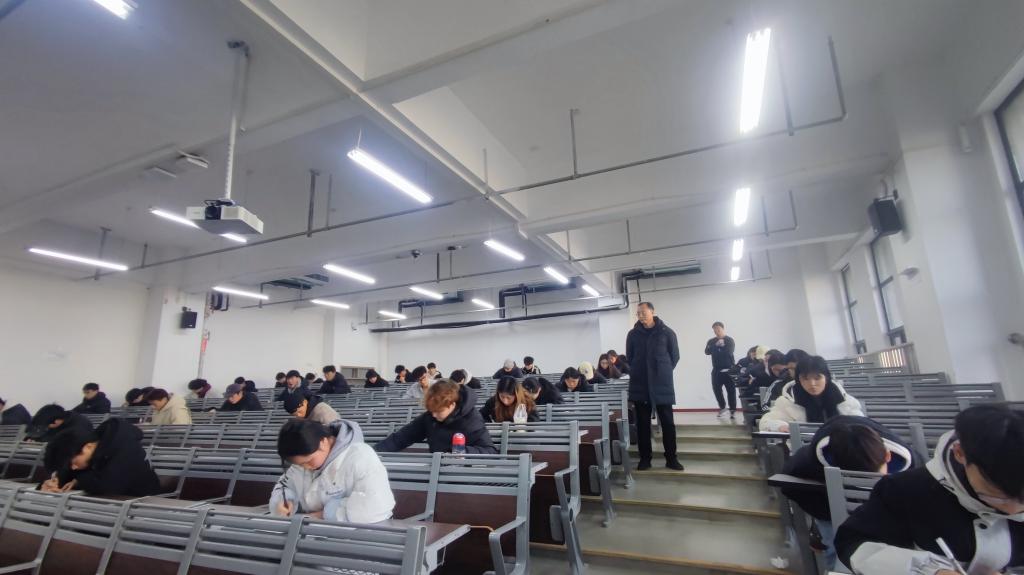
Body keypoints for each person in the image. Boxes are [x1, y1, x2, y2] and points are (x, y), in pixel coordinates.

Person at [835, 405, 1024, 574]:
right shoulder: (906, 490)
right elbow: (853, 544)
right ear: (960, 453)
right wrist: (929, 570)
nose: (1013, 510)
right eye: (1000, 496)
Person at [783, 416, 922, 569]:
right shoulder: (812, 462)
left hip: (887, 508)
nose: (868, 481)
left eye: (874, 476)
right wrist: (826, 512)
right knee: (835, 546)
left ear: (888, 456)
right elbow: (790, 486)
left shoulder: (911, 467)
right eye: (859, 477)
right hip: (829, 501)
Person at [270, 419, 395, 523]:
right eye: (299, 464)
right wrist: (285, 501)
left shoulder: (361, 457)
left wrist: (326, 514)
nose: (305, 467)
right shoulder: (302, 459)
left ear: (323, 442)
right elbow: (285, 485)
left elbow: (376, 504)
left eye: (308, 461)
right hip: (310, 530)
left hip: (355, 534)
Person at [625, 301, 683, 471]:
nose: (640, 315)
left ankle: (671, 458)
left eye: (643, 312)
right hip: (640, 384)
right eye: (638, 313)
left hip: (662, 385)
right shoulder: (633, 334)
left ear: (652, 312)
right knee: (642, 425)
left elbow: (674, 356)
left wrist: (662, 372)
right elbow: (630, 357)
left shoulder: (667, 332)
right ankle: (645, 459)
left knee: (668, 424)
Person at [40, 418, 161, 497]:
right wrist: (55, 482)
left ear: (88, 447)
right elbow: (67, 470)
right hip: (113, 504)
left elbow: (107, 486)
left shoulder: (125, 448)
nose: (73, 468)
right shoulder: (90, 448)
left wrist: (78, 480)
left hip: (143, 503)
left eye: (74, 463)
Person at [375, 380, 497, 454]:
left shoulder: (472, 420)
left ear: (452, 405)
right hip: (436, 469)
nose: (433, 414)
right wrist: (374, 453)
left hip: (464, 474)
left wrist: (462, 451)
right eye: (431, 411)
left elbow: (490, 451)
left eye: (439, 411)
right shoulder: (431, 416)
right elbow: (402, 437)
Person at [759, 356, 864, 432]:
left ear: (826, 378)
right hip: (803, 451)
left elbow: (861, 425)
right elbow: (765, 423)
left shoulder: (844, 400)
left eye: (817, 378)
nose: (812, 384)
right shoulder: (787, 402)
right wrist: (780, 426)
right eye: (805, 378)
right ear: (798, 380)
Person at [704, 321, 737, 420]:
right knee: (716, 389)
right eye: (714, 330)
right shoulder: (711, 341)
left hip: (729, 370)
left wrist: (716, 349)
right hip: (716, 370)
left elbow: (728, 352)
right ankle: (723, 407)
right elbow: (707, 352)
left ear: (723, 329)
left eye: (718, 329)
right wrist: (716, 346)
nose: (716, 332)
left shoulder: (729, 340)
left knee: (731, 391)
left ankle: (732, 410)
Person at [27, 405, 94, 442]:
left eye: (47, 425)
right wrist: (35, 440)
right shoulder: (59, 419)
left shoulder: (78, 425)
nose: (47, 427)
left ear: (56, 421)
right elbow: (48, 436)